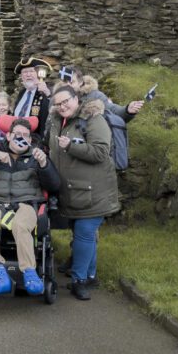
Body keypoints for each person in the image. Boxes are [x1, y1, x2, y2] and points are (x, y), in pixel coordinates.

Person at [0, 117, 60, 295]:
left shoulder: (37, 156)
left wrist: (44, 165)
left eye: (25, 136)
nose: (21, 138)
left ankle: (30, 273)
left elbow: (55, 186)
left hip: (27, 203)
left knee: (20, 225)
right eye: (17, 134)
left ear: (29, 139)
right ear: (9, 136)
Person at [47, 84, 120, 300]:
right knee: (84, 235)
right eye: (57, 103)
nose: (62, 106)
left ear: (76, 98)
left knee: (84, 234)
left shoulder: (94, 120)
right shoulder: (56, 121)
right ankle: (90, 275)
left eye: (66, 101)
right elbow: (50, 147)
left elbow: (100, 152)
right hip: (71, 191)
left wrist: (71, 147)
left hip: (93, 191)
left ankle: (79, 281)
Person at [12, 57, 54, 130]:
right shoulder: (21, 93)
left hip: (35, 138)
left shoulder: (46, 92)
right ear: (21, 76)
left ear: (38, 74)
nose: (28, 75)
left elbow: (53, 112)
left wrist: (47, 93)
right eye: (24, 72)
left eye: (31, 71)